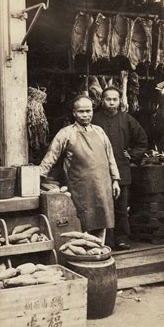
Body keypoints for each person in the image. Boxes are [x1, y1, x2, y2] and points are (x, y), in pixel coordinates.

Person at [39, 95, 121, 235]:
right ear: (74, 113)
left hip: (103, 184)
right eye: (81, 111)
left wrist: (116, 180)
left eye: (88, 111)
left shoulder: (99, 131)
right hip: (80, 186)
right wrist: (39, 176)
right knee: (83, 222)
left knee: (103, 219)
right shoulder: (66, 133)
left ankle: (98, 249)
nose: (85, 115)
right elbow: (51, 156)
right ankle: (84, 253)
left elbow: (110, 157)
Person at [92, 86, 148, 250]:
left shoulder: (127, 119)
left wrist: (132, 154)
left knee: (121, 207)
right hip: (98, 170)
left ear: (120, 101)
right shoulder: (94, 119)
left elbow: (142, 140)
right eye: (108, 99)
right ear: (102, 101)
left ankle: (122, 238)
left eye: (114, 99)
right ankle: (104, 241)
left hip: (121, 169)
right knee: (101, 206)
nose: (111, 103)